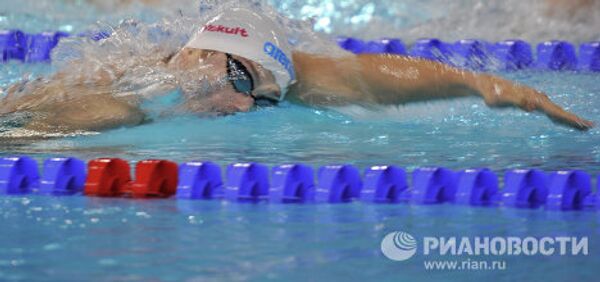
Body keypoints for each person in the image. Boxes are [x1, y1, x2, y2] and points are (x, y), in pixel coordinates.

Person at [0, 7, 593, 134]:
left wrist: (476, 81)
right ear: (196, 53)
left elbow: (363, 77)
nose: (240, 106)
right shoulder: (118, 96)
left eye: (260, 100)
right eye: (240, 83)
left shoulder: (268, 76)